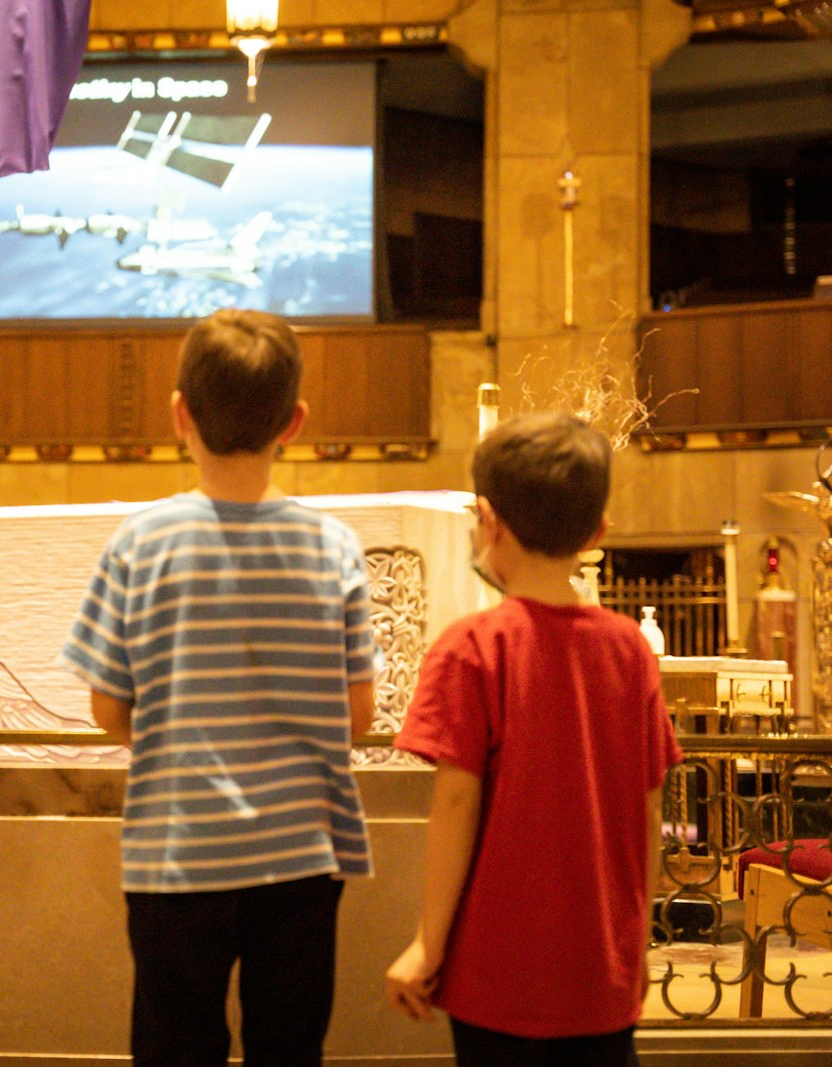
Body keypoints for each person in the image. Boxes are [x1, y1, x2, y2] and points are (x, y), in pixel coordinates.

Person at [59, 308, 380, 1067]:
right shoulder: (332, 546)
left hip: (178, 855)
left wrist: (178, 733)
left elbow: (107, 706)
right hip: (300, 855)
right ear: (294, 422)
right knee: (288, 1050)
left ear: (179, 415)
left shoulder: (139, 544)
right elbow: (359, 714)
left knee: (177, 1049)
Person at [384, 412, 684, 1066]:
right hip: (600, 972)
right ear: (597, 532)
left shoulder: (470, 649)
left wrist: (427, 946)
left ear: (487, 519)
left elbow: (457, 807)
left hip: (497, 973)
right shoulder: (629, 650)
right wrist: (635, 950)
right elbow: (651, 807)